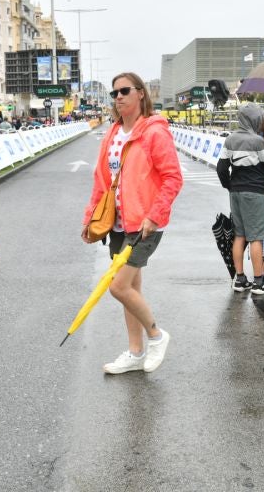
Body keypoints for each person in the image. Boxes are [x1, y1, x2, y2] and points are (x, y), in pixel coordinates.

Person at [82, 72, 182, 374]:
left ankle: (156, 335)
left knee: (119, 286)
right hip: (118, 224)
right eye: (114, 93)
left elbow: (172, 178)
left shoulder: (154, 131)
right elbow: (102, 181)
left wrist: (155, 213)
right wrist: (91, 219)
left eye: (125, 90)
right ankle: (135, 352)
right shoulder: (112, 134)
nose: (119, 97)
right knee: (132, 287)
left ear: (141, 93)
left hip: (145, 224)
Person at [217, 103, 264, 294]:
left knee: (240, 235)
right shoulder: (258, 142)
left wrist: (229, 185)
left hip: (235, 192)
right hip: (255, 193)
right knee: (256, 237)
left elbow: (221, 168)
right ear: (255, 119)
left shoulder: (230, 140)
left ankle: (240, 279)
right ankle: (259, 281)